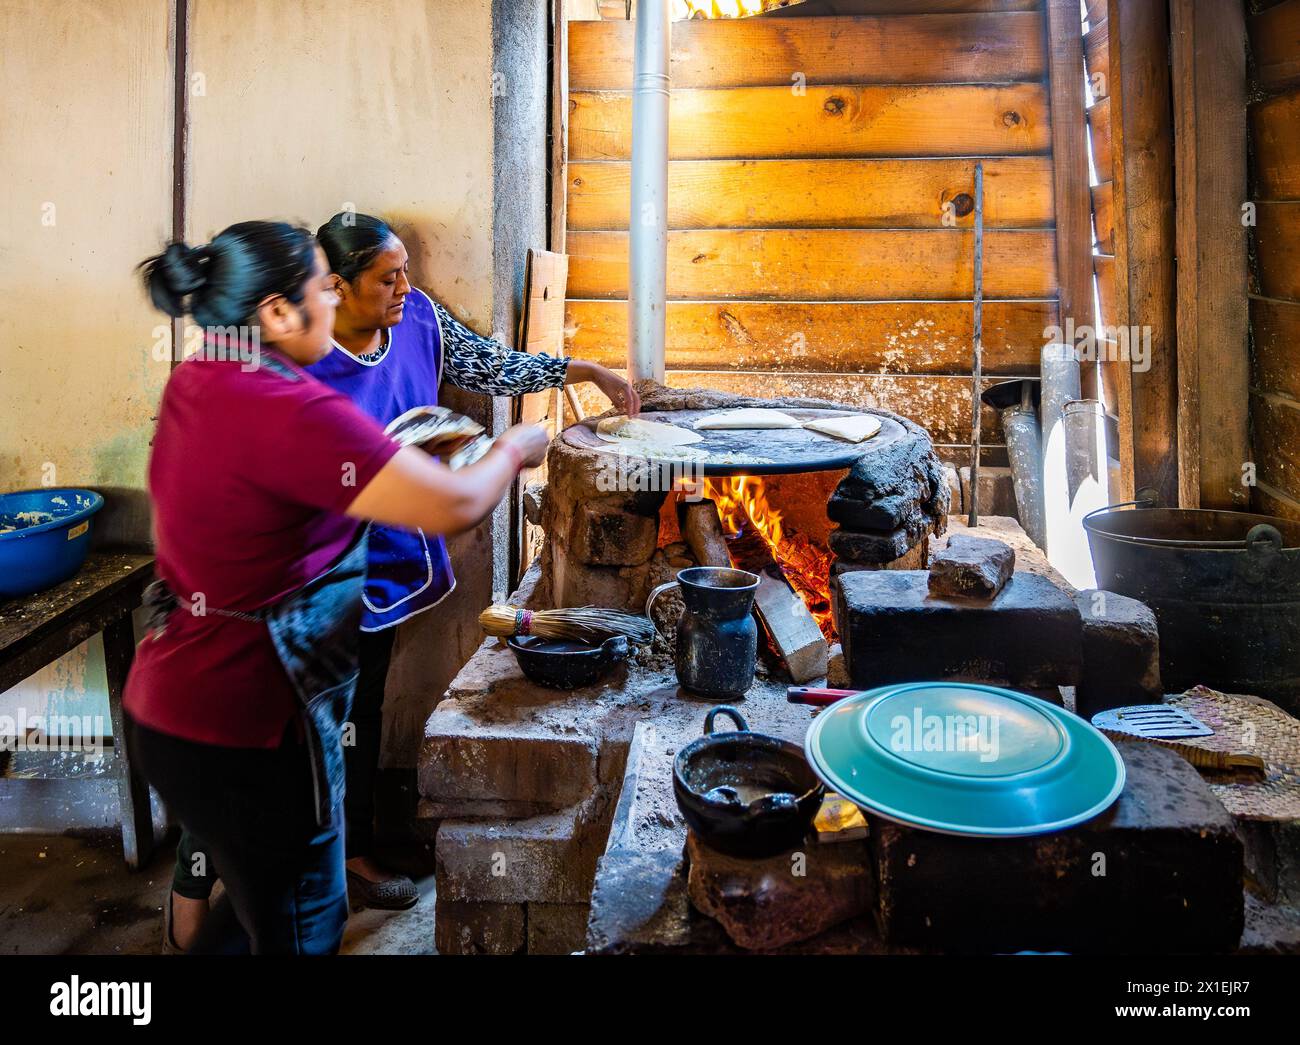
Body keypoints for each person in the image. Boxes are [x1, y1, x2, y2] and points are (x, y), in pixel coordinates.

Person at [166, 213, 639, 941]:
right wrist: (513, 447)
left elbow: (485, 367)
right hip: (273, 627)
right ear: (316, 295)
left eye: (406, 271)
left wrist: (582, 370)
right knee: (268, 788)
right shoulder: (279, 385)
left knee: (342, 732)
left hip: (346, 586)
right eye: (382, 277)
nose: (407, 289)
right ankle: (200, 905)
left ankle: (334, 857)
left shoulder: (404, 323)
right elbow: (443, 497)